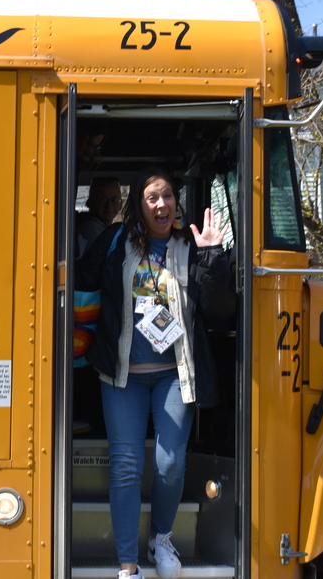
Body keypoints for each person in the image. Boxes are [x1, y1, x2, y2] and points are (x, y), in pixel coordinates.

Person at [77, 168, 234, 579]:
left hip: (173, 374)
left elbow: (219, 306)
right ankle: (128, 565)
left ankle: (161, 539)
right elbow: (80, 278)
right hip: (122, 375)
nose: (161, 204)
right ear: (139, 206)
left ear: (176, 203)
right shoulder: (115, 242)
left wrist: (214, 255)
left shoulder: (190, 245)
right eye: (152, 198)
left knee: (170, 465)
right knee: (125, 465)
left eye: (167, 196)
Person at [77, 177, 123, 256]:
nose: (109, 206)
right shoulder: (91, 229)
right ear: (89, 203)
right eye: (102, 200)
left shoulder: (105, 228)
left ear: (121, 204)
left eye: (115, 200)